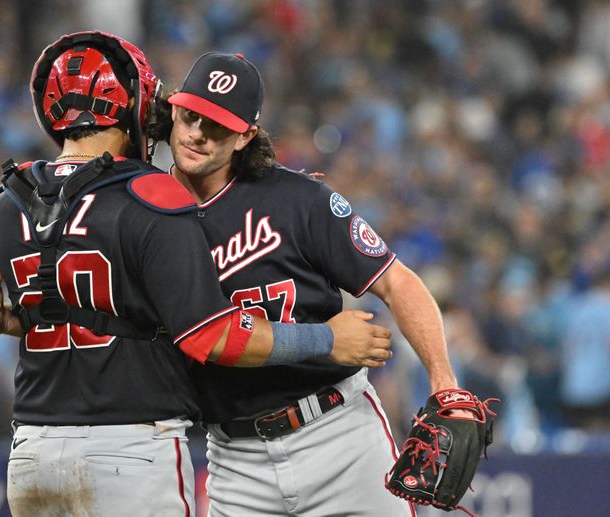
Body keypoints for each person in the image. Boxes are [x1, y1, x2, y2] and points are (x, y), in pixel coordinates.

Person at [0, 32, 393, 517]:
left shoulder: (4, 204)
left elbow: (78, 301)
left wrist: (18, 321)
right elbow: (210, 336)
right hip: (130, 447)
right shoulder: (149, 194)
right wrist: (324, 340)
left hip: (32, 450)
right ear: (133, 103)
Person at [146, 51, 468, 516]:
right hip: (235, 458)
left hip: (337, 434)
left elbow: (397, 281)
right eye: (190, 115)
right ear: (174, 110)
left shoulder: (299, 200)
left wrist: (443, 381)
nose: (196, 133)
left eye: (216, 124)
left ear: (245, 136)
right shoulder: (146, 212)